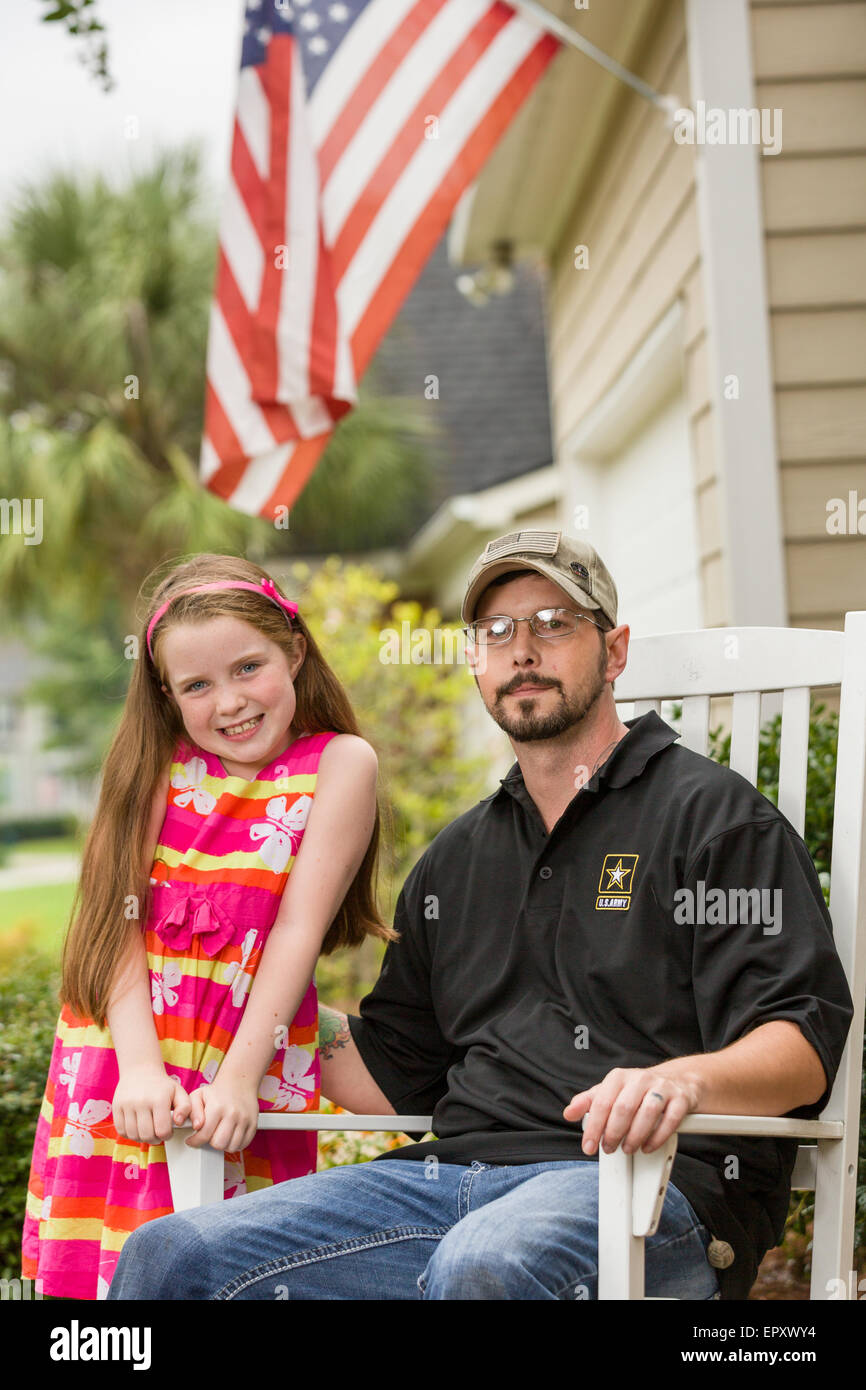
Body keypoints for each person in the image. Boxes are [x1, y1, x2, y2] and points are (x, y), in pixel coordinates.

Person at [106, 530, 854, 1301]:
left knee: (486, 1263)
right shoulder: (456, 860)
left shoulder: (715, 821)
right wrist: (259, 1010)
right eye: (496, 632)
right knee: (174, 1258)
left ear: (616, 649)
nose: (522, 650)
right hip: (444, 1184)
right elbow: (400, 1076)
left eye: (554, 624)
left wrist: (680, 1083)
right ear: (475, 662)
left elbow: (802, 1045)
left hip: (645, 1191)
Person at [21, 553, 390, 1299]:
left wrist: (240, 1081)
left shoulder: (340, 765)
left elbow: (295, 927)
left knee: (231, 1270)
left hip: (242, 1068)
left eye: (248, 667)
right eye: (197, 685)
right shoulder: (152, 765)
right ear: (167, 693)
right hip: (123, 1065)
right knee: (116, 1295)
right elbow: (114, 925)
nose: (230, 702)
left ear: (292, 649)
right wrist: (141, 1069)